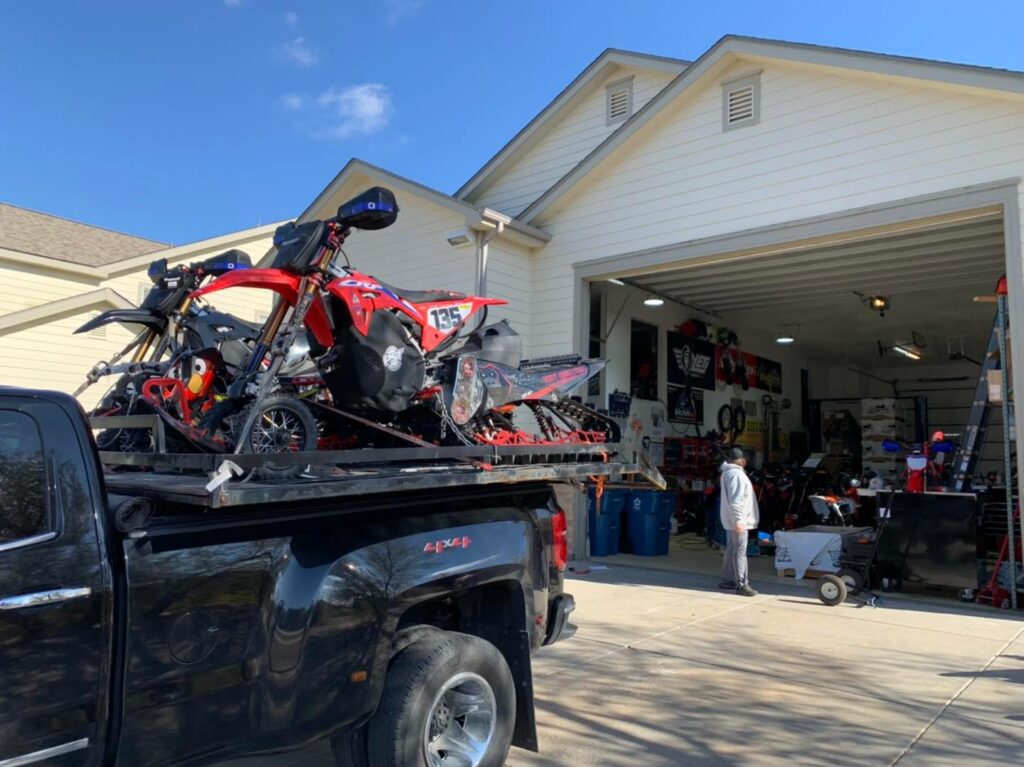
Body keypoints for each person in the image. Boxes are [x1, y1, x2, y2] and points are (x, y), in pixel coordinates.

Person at [719, 446, 760, 596]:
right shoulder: (736, 475)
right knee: (740, 551)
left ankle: (727, 579)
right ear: (741, 460)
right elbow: (736, 501)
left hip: (733, 520)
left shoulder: (728, 473)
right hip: (738, 520)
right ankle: (742, 584)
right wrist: (739, 521)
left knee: (732, 549)